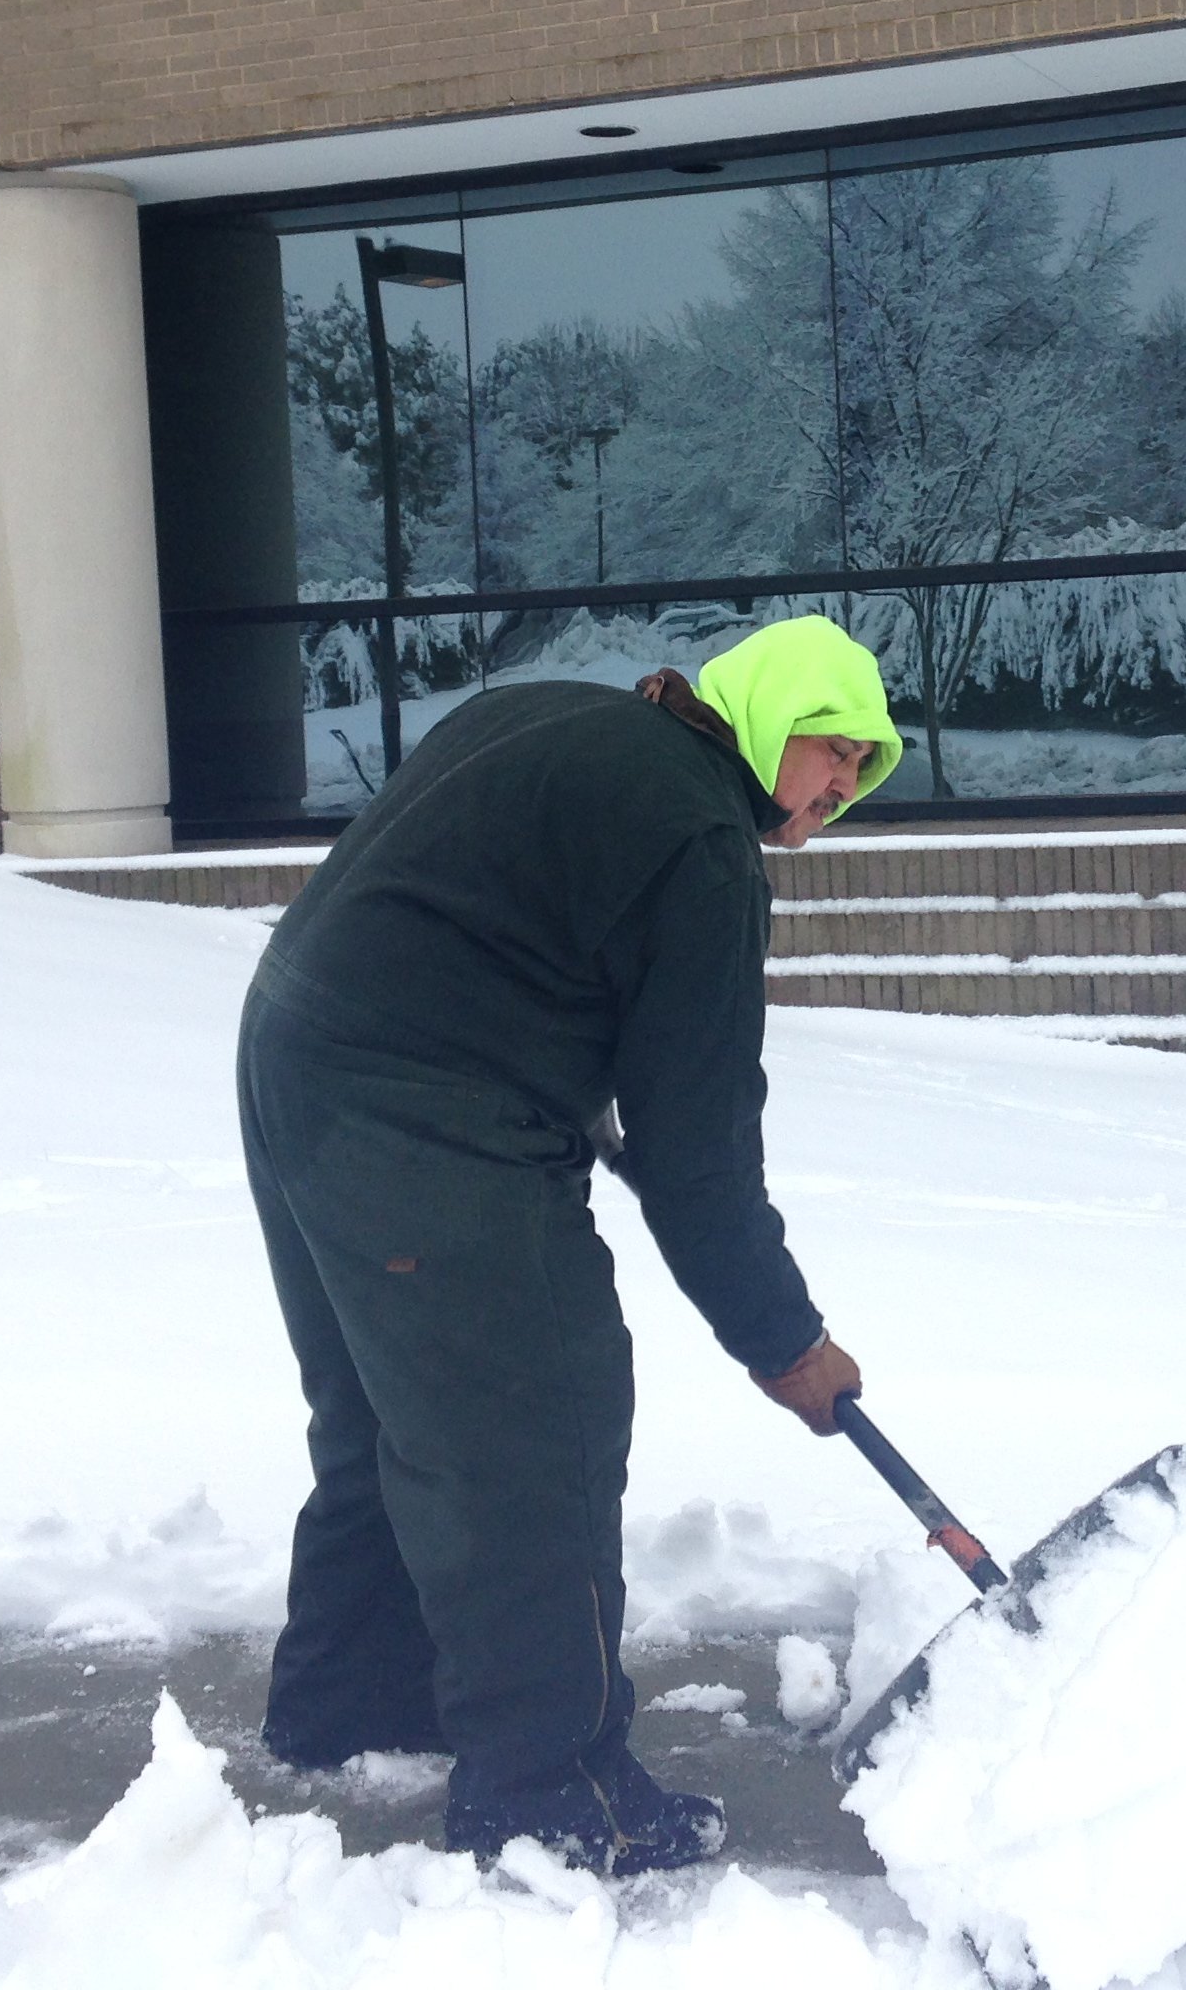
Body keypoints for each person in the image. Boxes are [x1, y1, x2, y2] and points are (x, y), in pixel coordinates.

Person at [236, 615, 899, 1877]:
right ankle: (553, 1795)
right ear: (766, 714)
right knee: (539, 1425)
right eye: (834, 750)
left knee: (395, 1411)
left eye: (866, 770)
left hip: (296, 1050)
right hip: (425, 1111)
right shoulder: (704, 846)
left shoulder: (561, 713)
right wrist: (787, 1344)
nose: (841, 789)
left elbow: (479, 904)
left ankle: (358, 1705)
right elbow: (700, 1156)